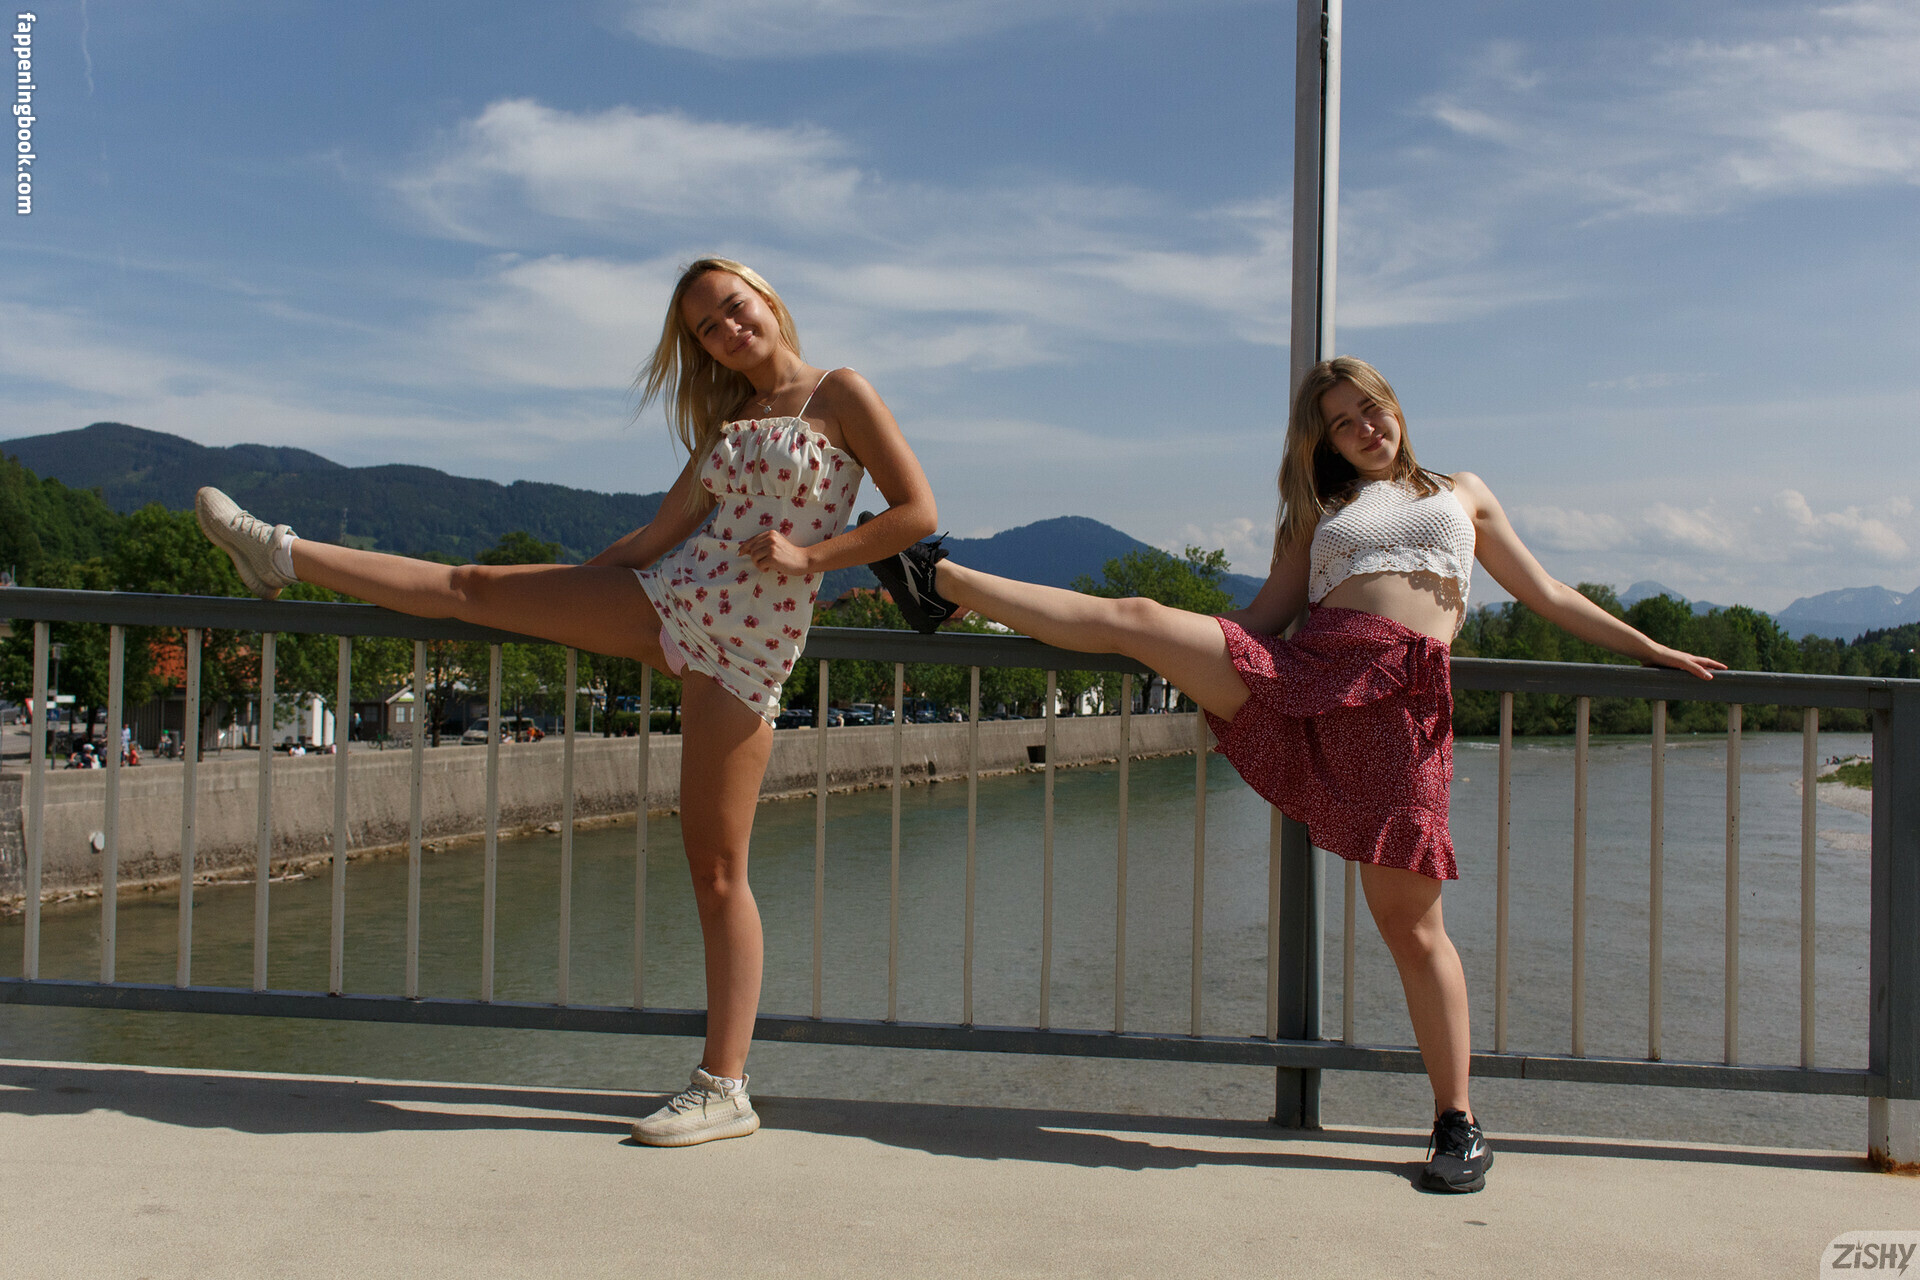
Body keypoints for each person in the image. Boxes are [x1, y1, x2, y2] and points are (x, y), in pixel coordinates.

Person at [867, 355, 1724, 1193]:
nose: (1364, 429)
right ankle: (941, 580)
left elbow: (1548, 594)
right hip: (1305, 679)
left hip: (1401, 713)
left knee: (1411, 926)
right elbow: (1264, 617)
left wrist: (1651, 648)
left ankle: (1457, 1119)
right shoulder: (1321, 511)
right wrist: (1183, 639)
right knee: (1136, 616)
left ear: (1395, 405)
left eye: (1370, 409)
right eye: (1342, 424)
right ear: (1326, 444)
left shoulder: (1462, 491)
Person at [195, 257, 938, 1146]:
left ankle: (723, 1088)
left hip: (747, 650)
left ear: (768, 302)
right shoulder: (731, 421)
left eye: (735, 310)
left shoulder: (839, 392)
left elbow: (917, 512)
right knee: (475, 585)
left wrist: (812, 558)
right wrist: (561, 590)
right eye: (707, 328)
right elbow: (659, 536)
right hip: (671, 596)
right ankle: (278, 551)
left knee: (717, 872)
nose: (727, 331)